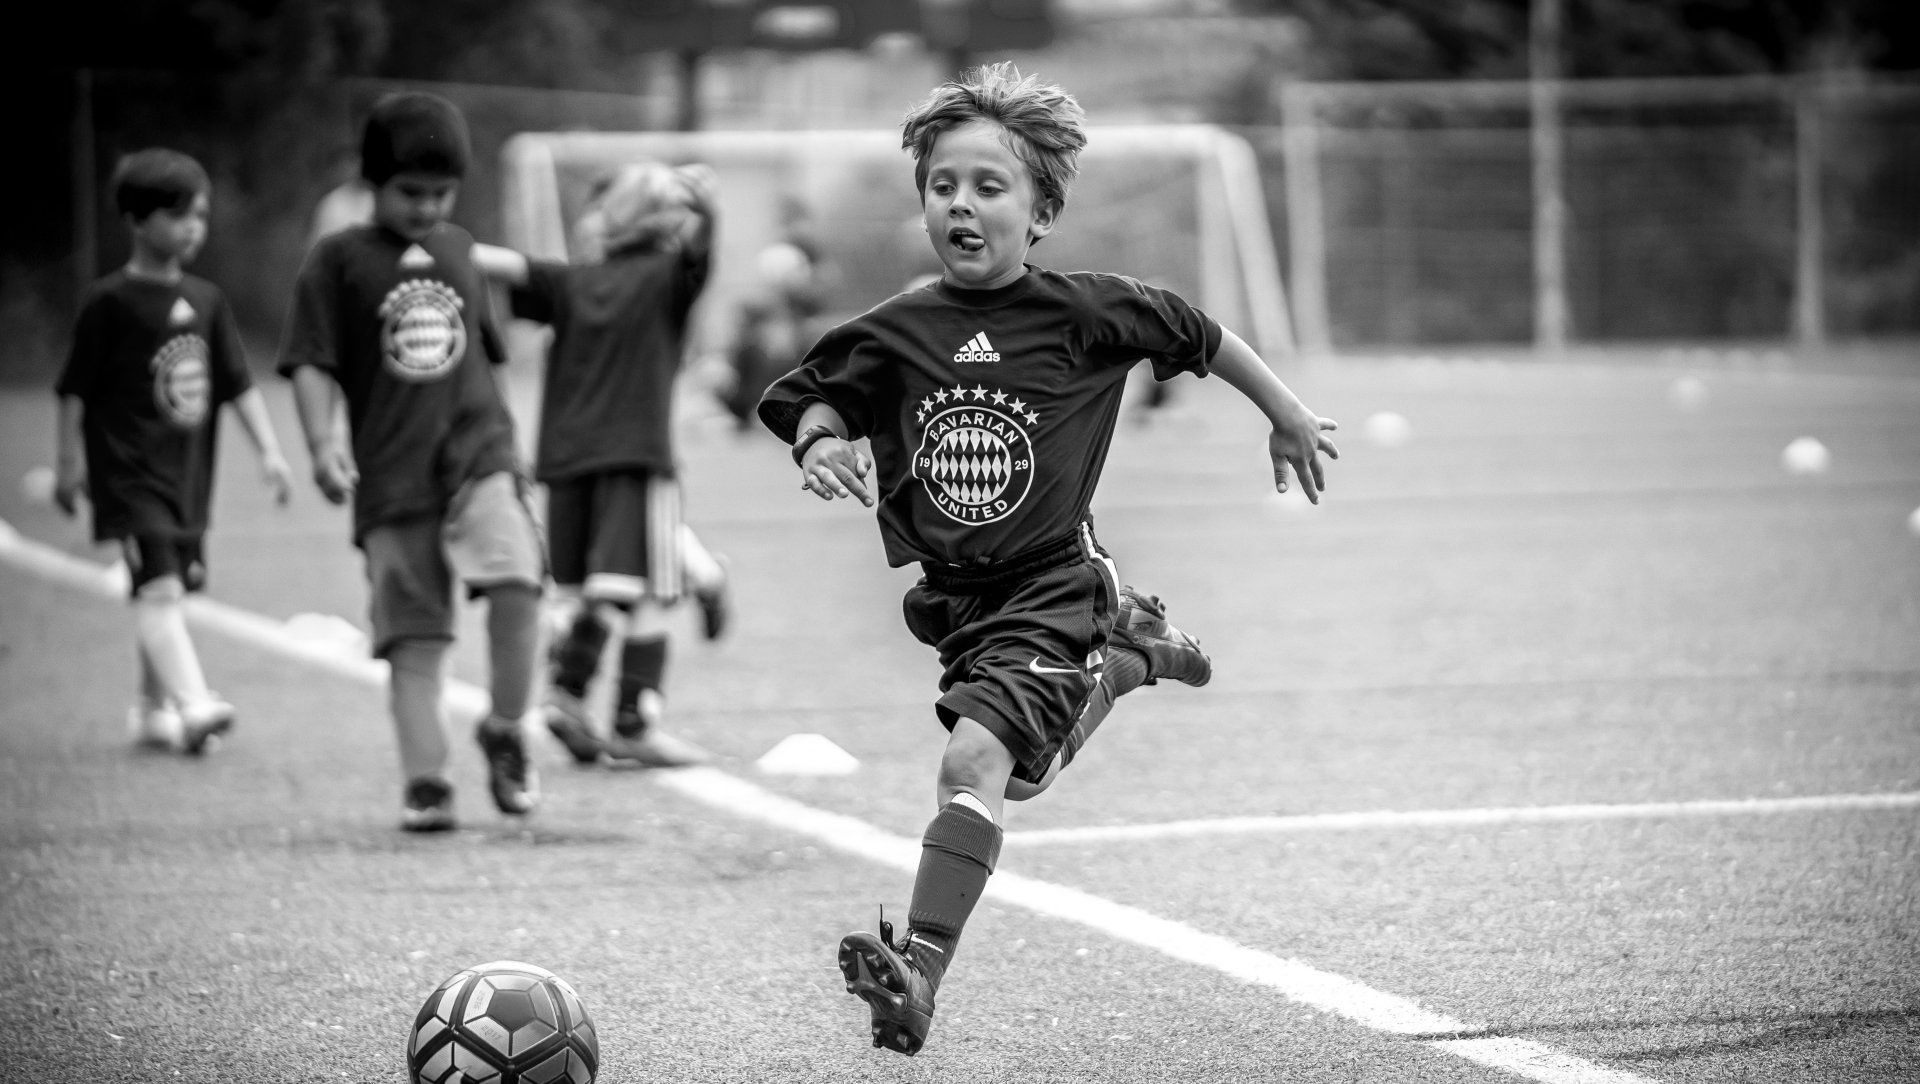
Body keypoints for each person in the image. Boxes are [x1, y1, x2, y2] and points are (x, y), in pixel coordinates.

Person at [756, 62, 1340, 1056]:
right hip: (957, 603)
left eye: (989, 186)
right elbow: (816, 393)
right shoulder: (895, 331)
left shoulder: (1086, 312)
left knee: (970, 762)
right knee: (1014, 782)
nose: (961, 204)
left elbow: (1200, 335)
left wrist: (1284, 411)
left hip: (1053, 581)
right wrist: (819, 442)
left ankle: (919, 972)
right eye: (943, 185)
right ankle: (1130, 656)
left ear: (1042, 212)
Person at [277, 91, 546, 832]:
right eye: (410, 193)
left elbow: (487, 357)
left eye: (441, 193)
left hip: (480, 459)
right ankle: (427, 782)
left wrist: (511, 446)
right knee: (415, 637)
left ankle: (505, 727)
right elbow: (310, 361)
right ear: (372, 182)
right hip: (393, 479)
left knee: (520, 585)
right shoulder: (336, 261)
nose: (427, 208)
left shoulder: (460, 250)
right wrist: (323, 445)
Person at [470, 161, 727, 768]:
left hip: (563, 460)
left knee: (590, 589)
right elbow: (702, 245)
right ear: (667, 218)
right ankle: (619, 716)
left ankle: (572, 697)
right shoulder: (667, 276)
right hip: (634, 456)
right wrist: (707, 205)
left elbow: (497, 264)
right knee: (648, 591)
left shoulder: (571, 281)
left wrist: (429, 243)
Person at [54, 147, 295, 755]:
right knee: (160, 589)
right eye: (179, 214)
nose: (193, 227)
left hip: (187, 474)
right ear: (137, 221)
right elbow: (74, 387)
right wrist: (68, 463)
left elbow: (237, 383)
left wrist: (270, 451)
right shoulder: (109, 302)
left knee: (164, 589)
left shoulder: (207, 301)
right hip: (129, 475)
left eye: (201, 215)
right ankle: (193, 704)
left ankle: (151, 710)